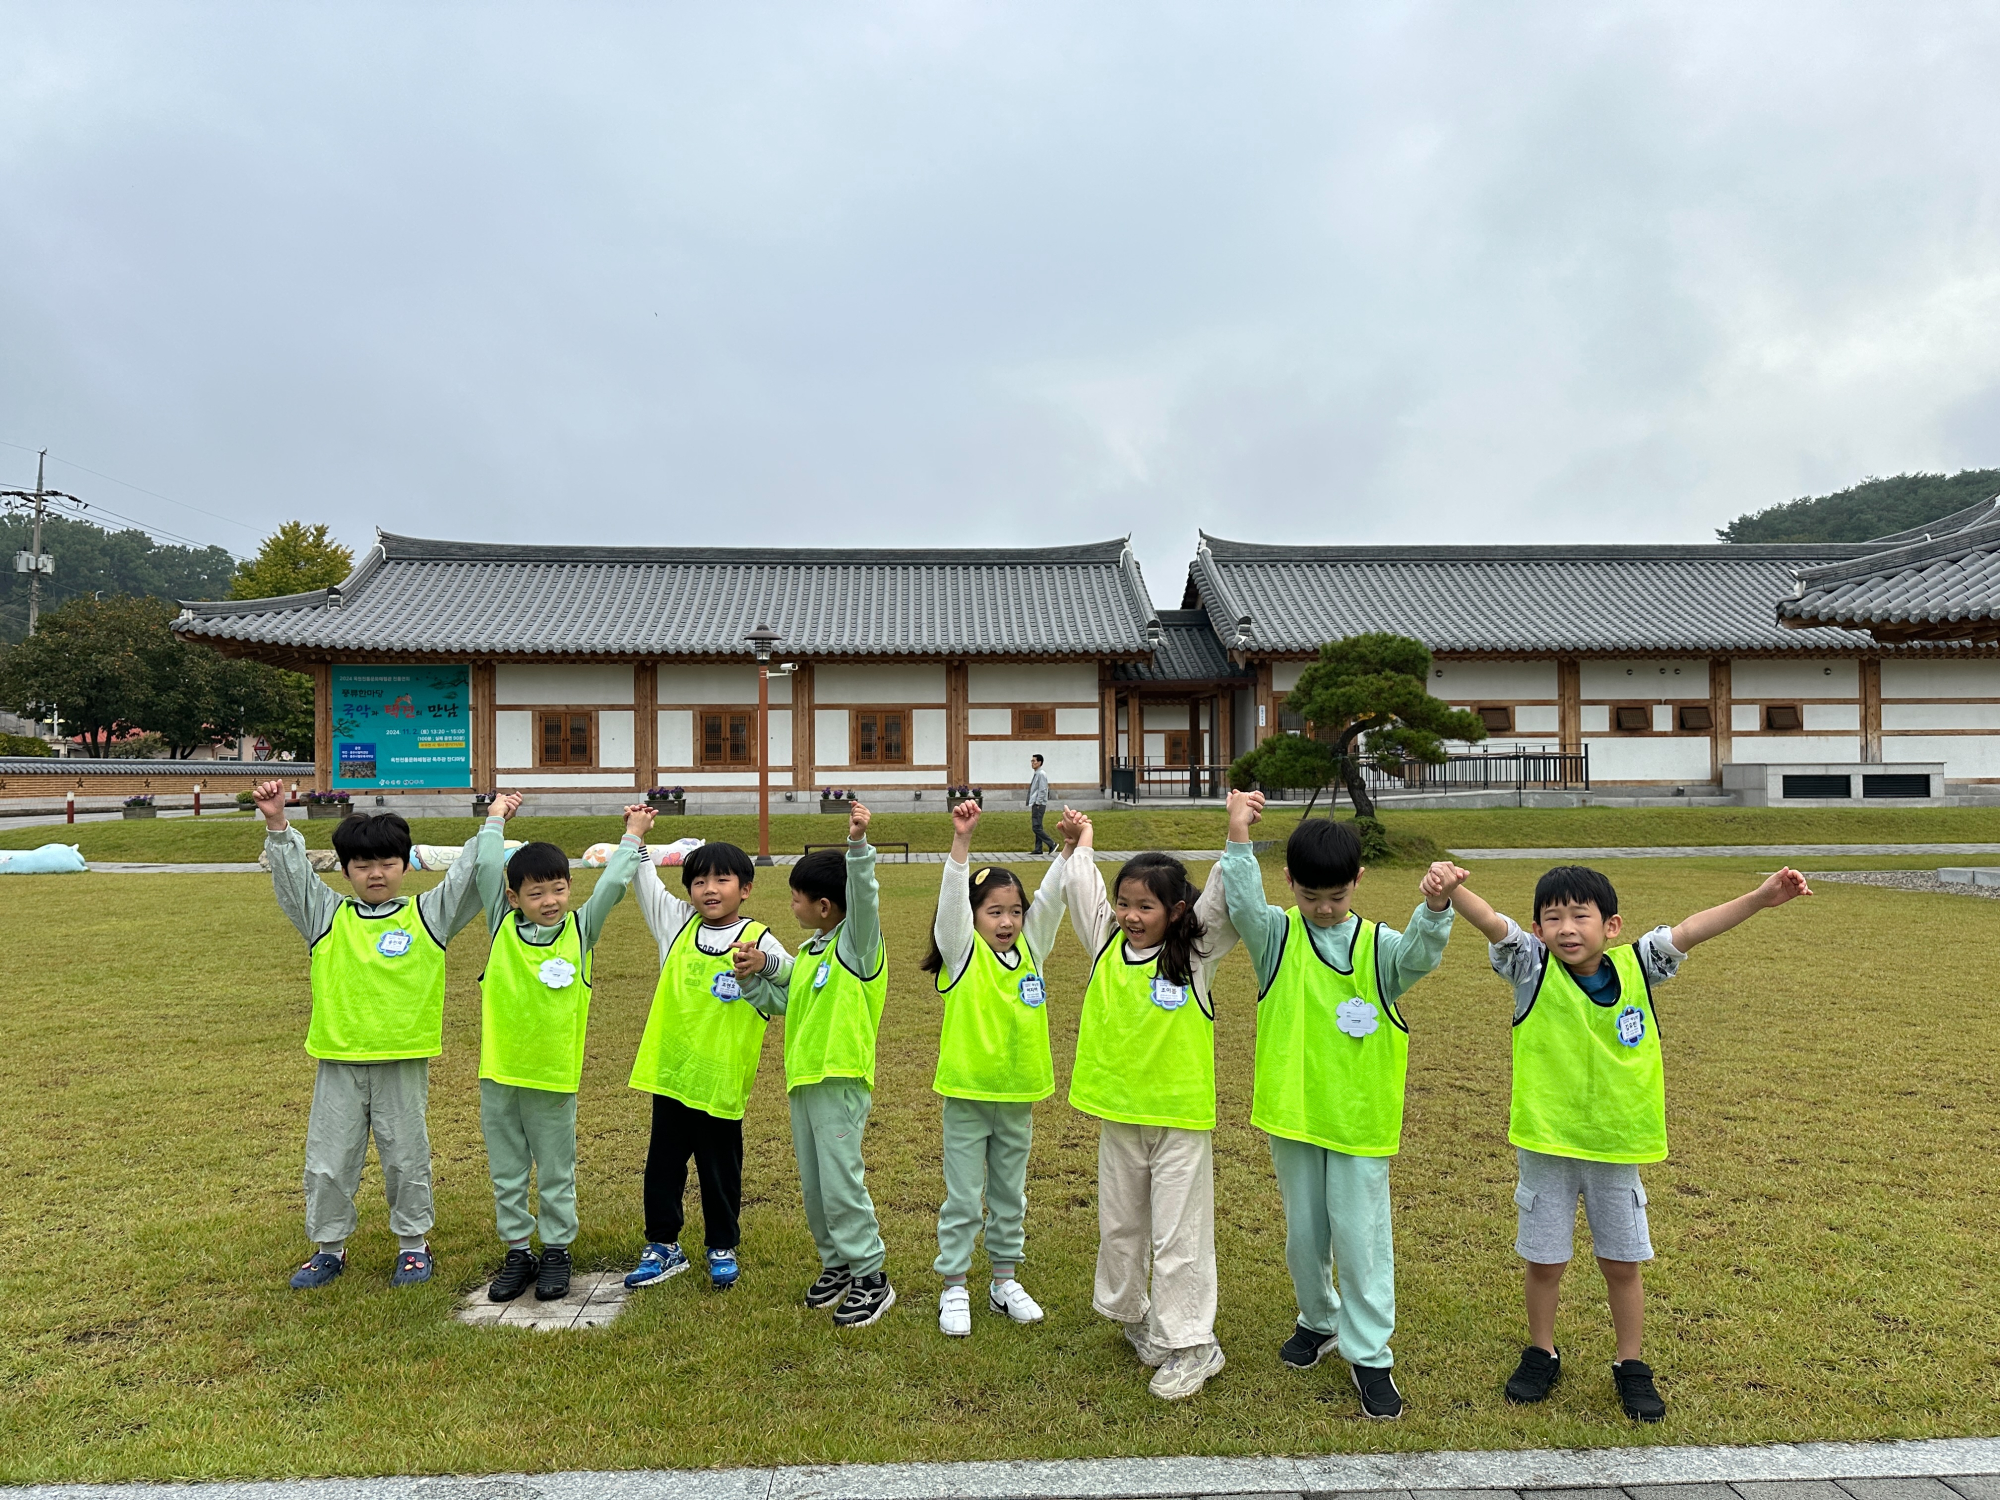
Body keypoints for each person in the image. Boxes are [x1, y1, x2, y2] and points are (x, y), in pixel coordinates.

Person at [1433, 860, 1813, 1423]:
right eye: (1553, 917)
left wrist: (1759, 898)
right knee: (1544, 1260)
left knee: (1622, 1262)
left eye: (1580, 916)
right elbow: (1492, 922)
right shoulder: (1531, 969)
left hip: (1616, 1149)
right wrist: (1451, 891)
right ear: (1538, 930)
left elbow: (1694, 928)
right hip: (1548, 1145)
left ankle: (1629, 1365)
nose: (1566, 928)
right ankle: (1541, 1352)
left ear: (1611, 926)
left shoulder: (1640, 964)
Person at [1218, 791, 1454, 1420]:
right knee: (1305, 1236)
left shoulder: (1380, 947)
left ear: (1358, 882)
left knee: (1361, 1240)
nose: (1323, 910)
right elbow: (1242, 902)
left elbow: (1420, 957)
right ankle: (1318, 1319)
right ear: (1290, 882)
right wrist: (1238, 834)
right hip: (1294, 1114)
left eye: (1337, 898)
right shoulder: (1275, 936)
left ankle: (1371, 1354)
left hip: (1358, 1120)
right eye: (1310, 896)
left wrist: (1434, 909)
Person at [253, 778, 486, 1291]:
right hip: (339, 1058)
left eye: (386, 863)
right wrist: (277, 823)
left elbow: (468, 879)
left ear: (404, 865)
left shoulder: (427, 915)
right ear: (347, 869)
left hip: (402, 1057)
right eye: (362, 865)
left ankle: (412, 1246)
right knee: (329, 1159)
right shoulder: (327, 916)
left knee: (406, 1156)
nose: (375, 873)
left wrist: (492, 826)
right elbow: (293, 880)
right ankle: (328, 1249)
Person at [1063, 810, 1239, 1400]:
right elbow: (1081, 888)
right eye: (1125, 904)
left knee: (1178, 1236)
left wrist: (1236, 831)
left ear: (1176, 912)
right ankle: (1139, 1318)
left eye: (1146, 907)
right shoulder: (1107, 945)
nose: (1131, 917)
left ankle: (1194, 1343)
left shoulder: (1195, 957)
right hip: (1120, 1116)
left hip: (1179, 1122)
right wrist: (1082, 842)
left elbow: (1222, 893)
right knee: (1121, 1226)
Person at [473, 794, 650, 1303]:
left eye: (558, 888)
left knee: (554, 1169)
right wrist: (494, 820)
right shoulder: (500, 926)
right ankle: (516, 1250)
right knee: (507, 1170)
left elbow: (614, 884)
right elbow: (488, 865)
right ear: (514, 899)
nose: (550, 900)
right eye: (536, 893)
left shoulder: (580, 929)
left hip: (553, 1076)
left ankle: (555, 1250)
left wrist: (632, 835)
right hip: (500, 1073)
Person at [920, 796, 1071, 1337]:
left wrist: (1068, 851)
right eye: (994, 912)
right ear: (974, 915)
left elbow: (1051, 901)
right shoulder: (961, 954)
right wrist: (961, 842)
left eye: (1014, 911)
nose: (1007, 922)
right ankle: (955, 1284)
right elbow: (952, 908)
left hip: (1018, 1096)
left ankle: (1003, 1279)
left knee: (1010, 1194)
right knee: (963, 1197)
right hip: (967, 1093)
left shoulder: (1031, 948)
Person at [740, 799, 894, 1327]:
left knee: (842, 1180)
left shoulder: (857, 946)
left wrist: (857, 846)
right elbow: (785, 1003)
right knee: (815, 1184)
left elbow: (865, 900)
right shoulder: (809, 953)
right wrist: (754, 978)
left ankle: (871, 1274)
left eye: (796, 898)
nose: (792, 906)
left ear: (826, 905)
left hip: (840, 1079)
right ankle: (837, 1263)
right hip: (803, 1081)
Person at [624, 839, 795, 1292]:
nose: (709, 889)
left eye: (722, 879)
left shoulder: (758, 937)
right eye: (699, 881)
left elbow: (795, 978)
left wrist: (764, 963)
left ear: (746, 889)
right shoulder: (678, 925)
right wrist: (637, 842)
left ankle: (722, 1244)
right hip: (672, 1073)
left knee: (720, 1169)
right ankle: (663, 1246)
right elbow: (647, 887)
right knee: (662, 1165)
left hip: (721, 1078)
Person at [1027, 754, 1054, 856]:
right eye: (1032, 761)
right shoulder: (1037, 773)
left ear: (1039, 762)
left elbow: (1042, 789)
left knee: (1036, 827)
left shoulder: (1041, 774)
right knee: (1038, 826)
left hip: (1039, 804)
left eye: (1034, 761)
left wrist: (1038, 802)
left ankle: (1052, 843)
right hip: (1036, 803)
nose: (1032, 763)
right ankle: (1038, 848)